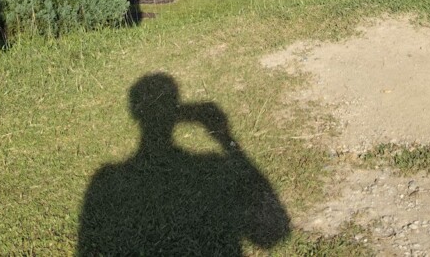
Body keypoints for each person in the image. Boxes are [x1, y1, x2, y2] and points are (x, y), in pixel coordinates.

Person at [77, 74, 290, 256]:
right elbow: (272, 235)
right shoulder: (212, 169)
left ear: (134, 112)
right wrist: (226, 139)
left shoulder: (105, 181)